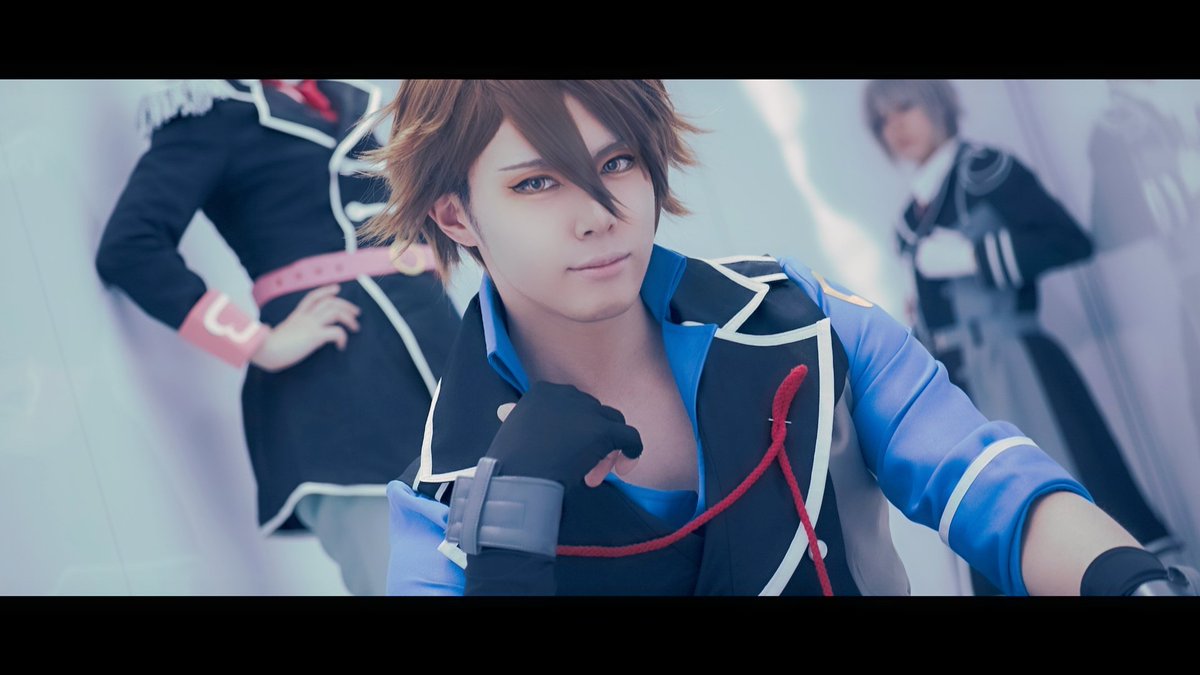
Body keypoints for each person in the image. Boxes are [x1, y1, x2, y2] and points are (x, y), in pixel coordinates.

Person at [363, 80, 1196, 596]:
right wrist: (505, 541)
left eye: (617, 164)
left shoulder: (801, 317)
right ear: (456, 214)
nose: (597, 214)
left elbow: (989, 484)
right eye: (537, 183)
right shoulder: (443, 494)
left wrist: (1134, 585)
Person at [94, 79, 461, 595]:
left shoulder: (360, 103)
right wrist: (253, 342)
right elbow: (130, 247)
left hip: (446, 370)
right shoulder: (213, 114)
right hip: (339, 396)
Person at [863, 79, 1180, 594]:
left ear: (938, 105)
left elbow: (1067, 240)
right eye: (882, 120)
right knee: (991, 519)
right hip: (959, 386)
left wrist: (975, 256)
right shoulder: (910, 218)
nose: (895, 127)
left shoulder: (983, 171)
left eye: (905, 108)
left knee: (1068, 498)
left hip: (1020, 368)